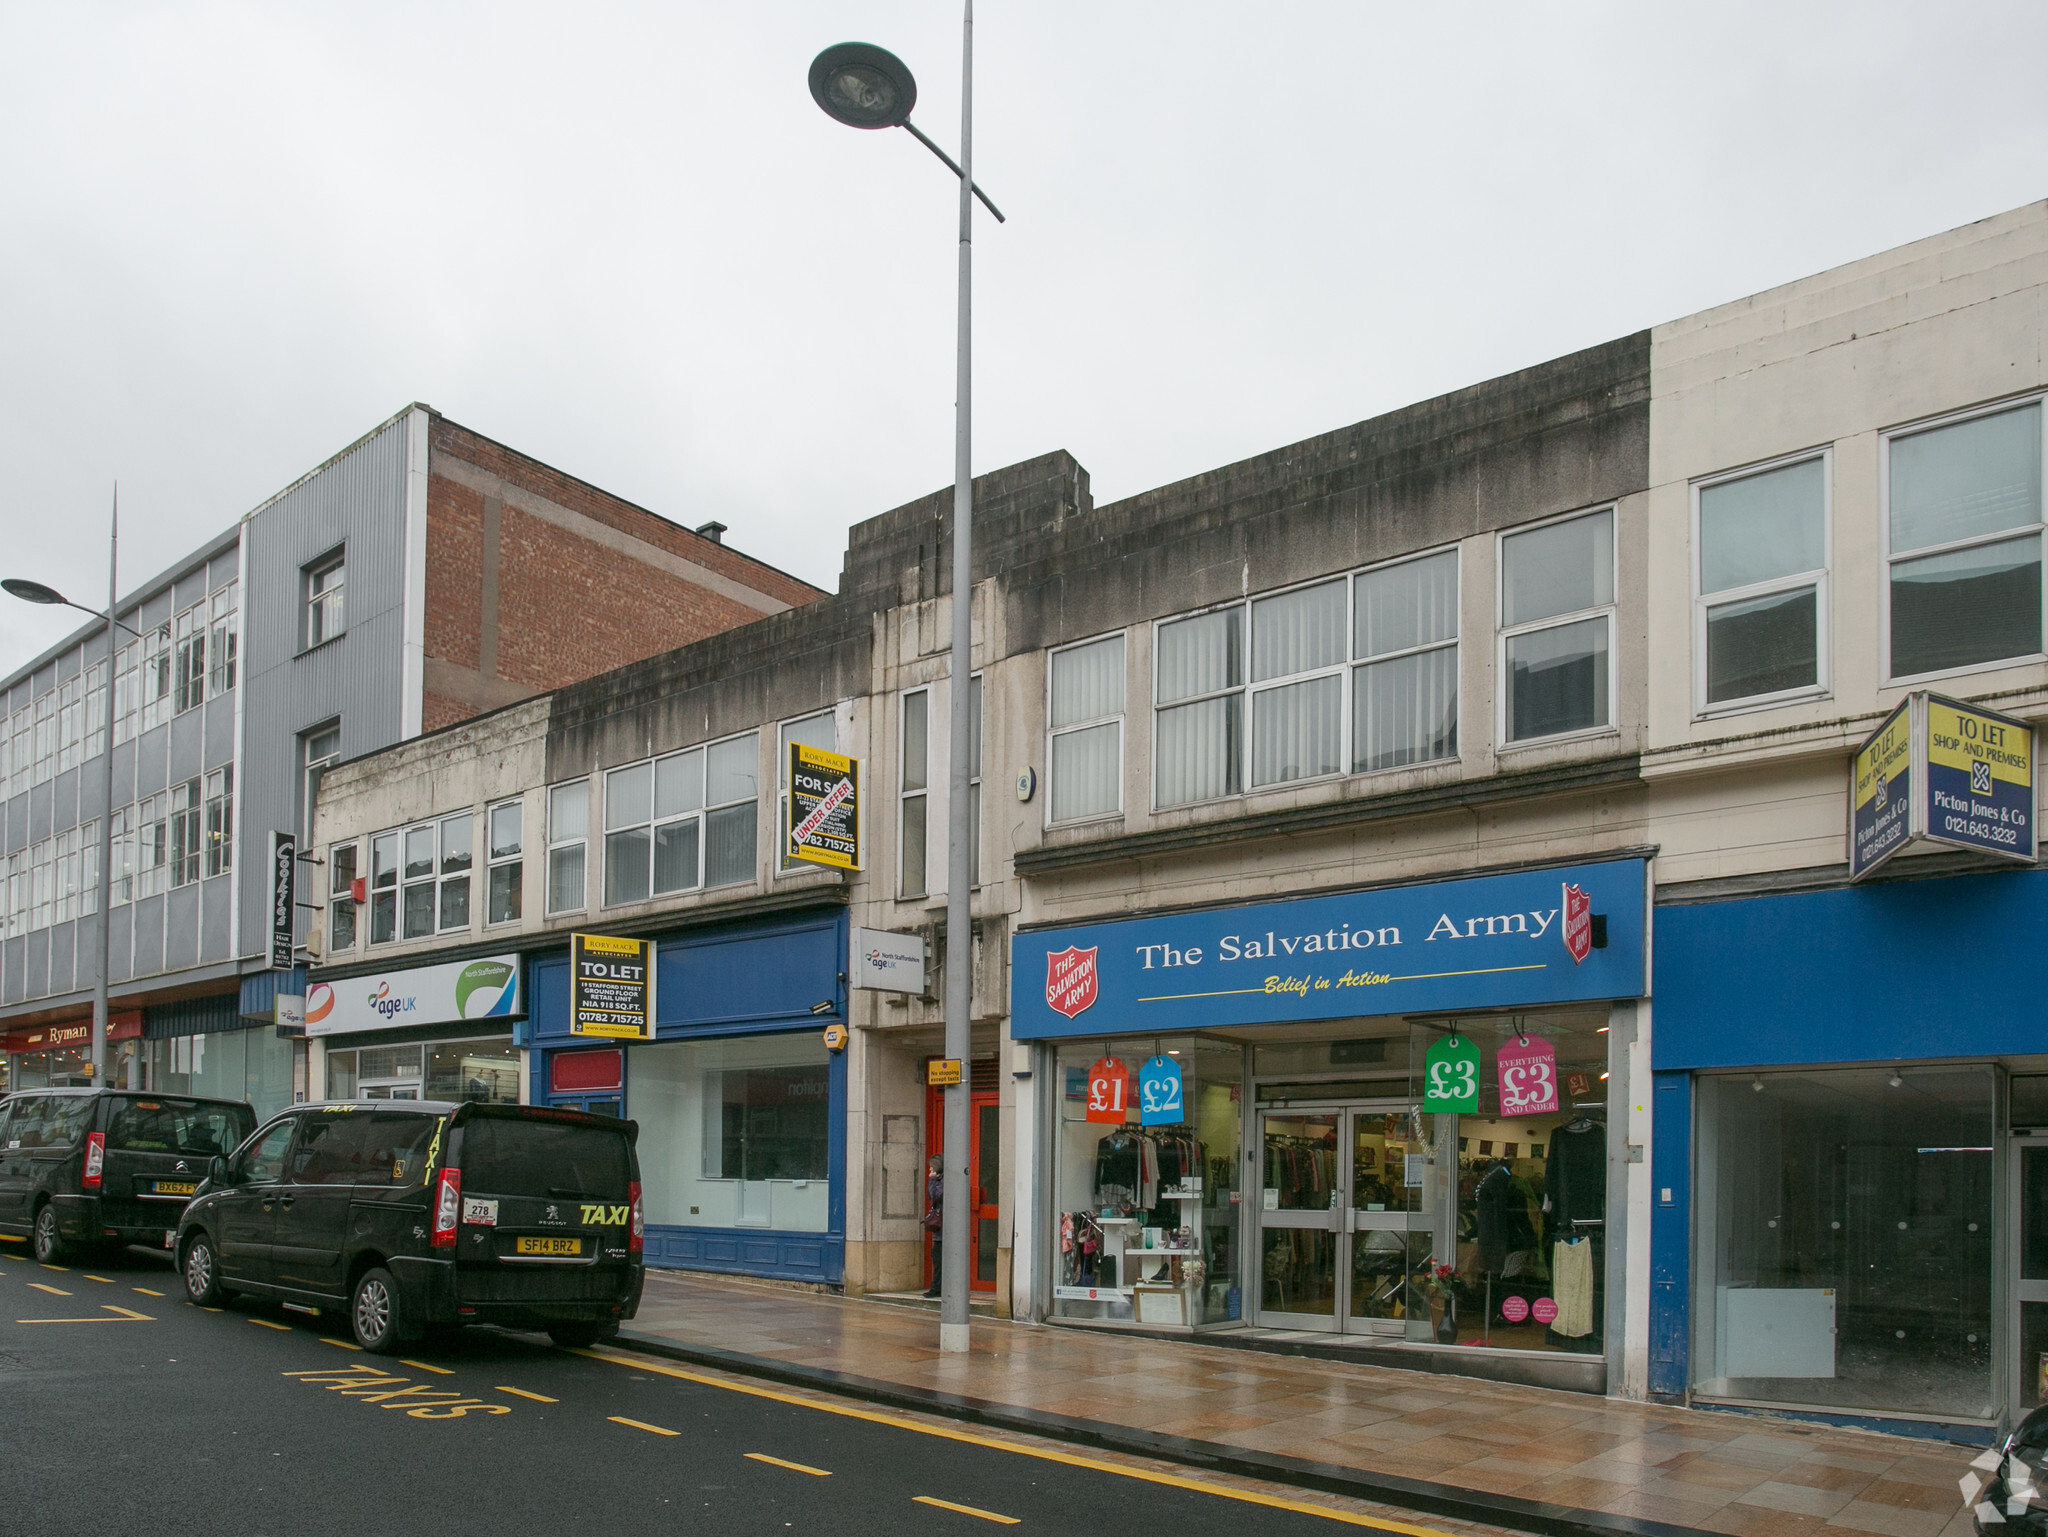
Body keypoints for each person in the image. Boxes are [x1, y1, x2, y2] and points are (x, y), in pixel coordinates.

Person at [922, 1155, 944, 1298]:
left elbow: (934, 1196)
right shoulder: (940, 1180)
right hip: (940, 1231)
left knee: (939, 1260)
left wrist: (932, 1180)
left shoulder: (941, 1181)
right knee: (937, 1259)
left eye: (931, 1168)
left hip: (944, 1230)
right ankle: (937, 1287)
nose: (929, 1171)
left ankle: (937, 1288)